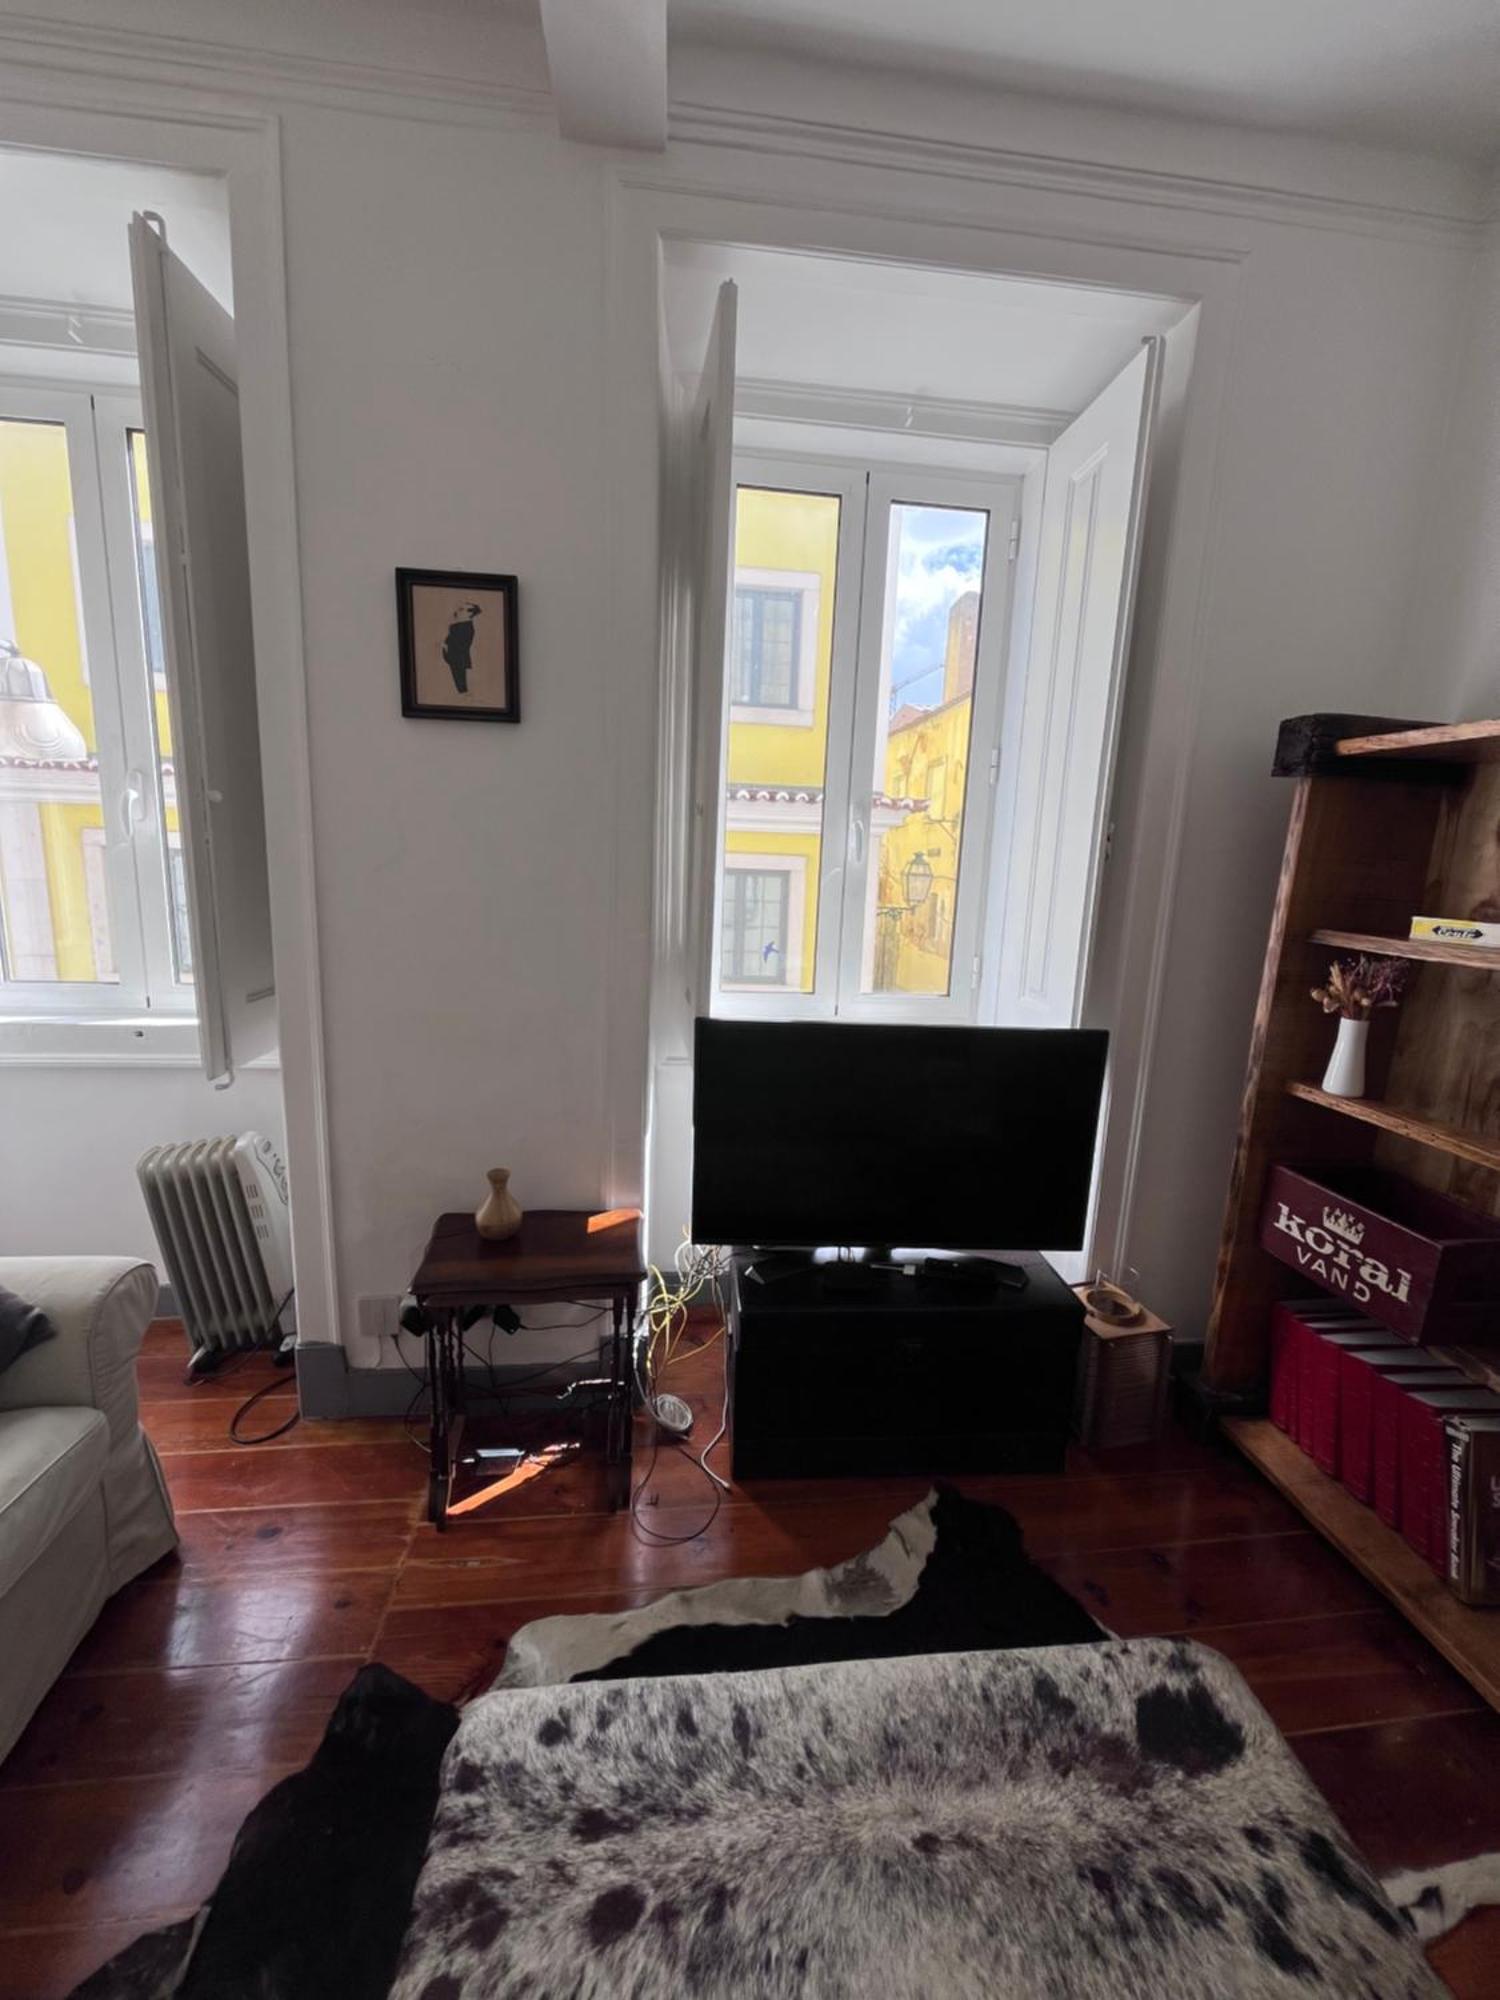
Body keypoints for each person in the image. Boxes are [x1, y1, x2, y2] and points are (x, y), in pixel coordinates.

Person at [442, 602, 482, 695]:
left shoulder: (466, 627)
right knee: (459, 683)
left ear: (469, 613)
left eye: (461, 609)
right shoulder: (460, 625)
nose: (457, 611)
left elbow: (460, 646)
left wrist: (446, 646)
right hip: (454, 658)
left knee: (461, 685)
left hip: (458, 659)